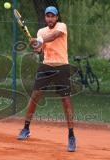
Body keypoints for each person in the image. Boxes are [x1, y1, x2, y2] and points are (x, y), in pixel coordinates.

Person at [17, 6, 76, 152]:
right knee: (35, 96)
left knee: (65, 100)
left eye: (53, 16)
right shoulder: (41, 31)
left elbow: (54, 36)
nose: (50, 18)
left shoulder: (62, 26)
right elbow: (40, 49)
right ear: (45, 18)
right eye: (48, 16)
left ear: (57, 17)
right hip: (46, 66)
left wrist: (39, 40)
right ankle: (26, 128)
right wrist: (36, 47)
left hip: (62, 66)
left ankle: (71, 136)